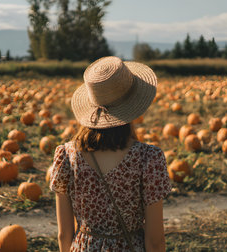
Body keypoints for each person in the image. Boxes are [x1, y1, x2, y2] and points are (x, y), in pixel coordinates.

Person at [49, 56, 171, 252]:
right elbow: (155, 241)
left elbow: (64, 234)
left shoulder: (66, 155)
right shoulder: (149, 158)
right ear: (133, 106)